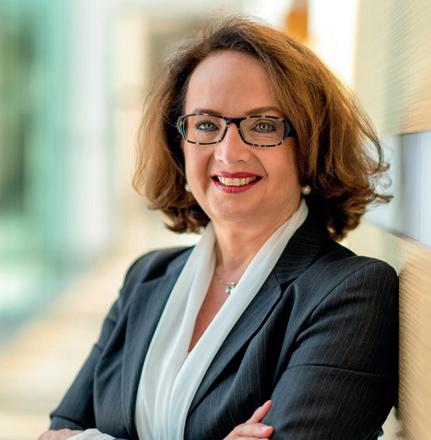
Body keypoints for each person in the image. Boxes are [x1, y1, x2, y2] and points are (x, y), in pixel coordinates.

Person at [39, 16, 398, 440]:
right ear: (179, 143)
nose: (229, 152)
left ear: (309, 144)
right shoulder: (146, 278)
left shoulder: (350, 293)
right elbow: (57, 432)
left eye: (263, 125)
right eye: (206, 125)